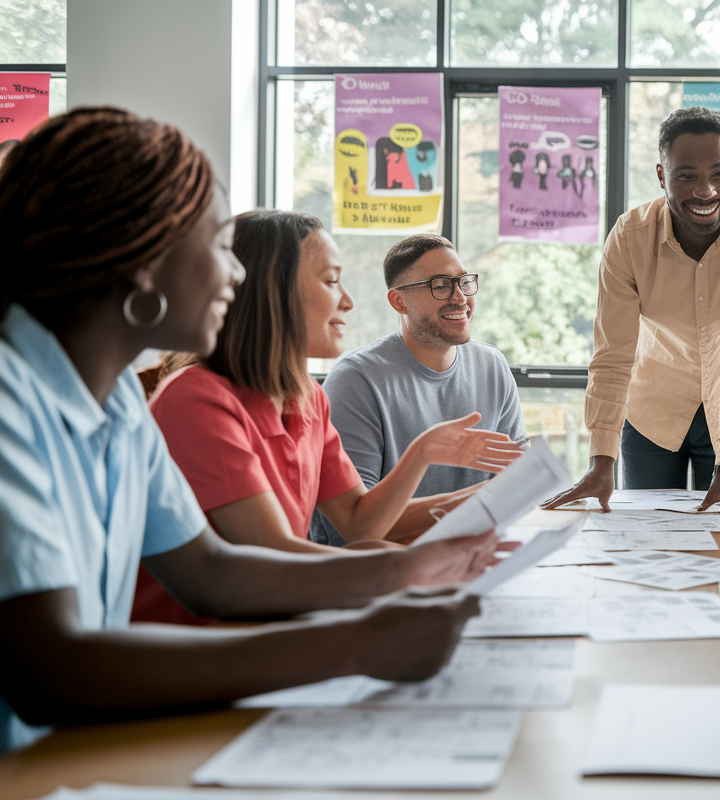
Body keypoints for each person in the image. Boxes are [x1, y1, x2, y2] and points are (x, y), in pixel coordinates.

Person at [0, 107, 498, 752]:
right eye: (214, 247)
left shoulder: (120, 397)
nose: (234, 274)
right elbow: (52, 669)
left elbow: (211, 570)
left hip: (81, 744)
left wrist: (405, 572)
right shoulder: (14, 403)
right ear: (143, 258)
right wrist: (352, 644)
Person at [130, 211, 522, 624]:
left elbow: (359, 527)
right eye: (332, 280)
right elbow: (273, 555)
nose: (348, 300)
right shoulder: (196, 399)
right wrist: (412, 568)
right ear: (273, 291)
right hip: (198, 647)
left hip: (272, 623)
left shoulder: (309, 398)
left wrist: (422, 452)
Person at [543, 106, 720, 512]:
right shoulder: (629, 237)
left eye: (719, 173)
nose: (707, 191)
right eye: (687, 176)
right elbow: (613, 355)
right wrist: (600, 461)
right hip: (651, 414)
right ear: (662, 176)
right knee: (646, 533)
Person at [311, 234, 525, 547]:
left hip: (471, 557)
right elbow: (349, 530)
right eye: (440, 285)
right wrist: (482, 500)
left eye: (464, 282)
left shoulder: (491, 364)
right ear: (399, 301)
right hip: (378, 574)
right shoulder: (355, 380)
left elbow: (516, 479)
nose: (460, 298)